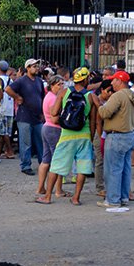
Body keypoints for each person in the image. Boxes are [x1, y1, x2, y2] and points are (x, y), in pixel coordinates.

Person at [35, 67, 96, 206]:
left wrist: (64, 118)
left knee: (56, 165)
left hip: (67, 135)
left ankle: (48, 196)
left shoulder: (64, 92)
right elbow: (93, 120)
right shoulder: (90, 96)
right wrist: (91, 137)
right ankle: (75, 198)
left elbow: (54, 113)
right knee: (82, 168)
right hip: (84, 135)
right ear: (86, 79)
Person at [96, 70, 134, 208]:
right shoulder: (132, 95)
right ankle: (123, 197)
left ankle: (113, 200)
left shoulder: (118, 96)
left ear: (120, 81)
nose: (111, 83)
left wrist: (99, 103)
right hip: (130, 134)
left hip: (116, 136)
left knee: (113, 169)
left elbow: (105, 112)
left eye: (113, 80)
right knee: (125, 169)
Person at [6, 58, 45, 176]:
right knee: (26, 143)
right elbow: (8, 89)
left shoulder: (39, 81)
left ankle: (43, 163)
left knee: (40, 141)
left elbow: (41, 97)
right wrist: (17, 97)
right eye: (34, 66)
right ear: (27, 68)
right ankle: (25, 165)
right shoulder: (21, 81)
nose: (36, 68)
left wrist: (42, 112)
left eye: (37, 66)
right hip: (24, 116)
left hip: (37, 116)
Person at [37, 75, 66, 197]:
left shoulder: (48, 96)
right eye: (59, 84)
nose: (61, 86)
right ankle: (58, 190)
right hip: (54, 129)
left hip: (46, 128)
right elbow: (55, 119)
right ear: (52, 85)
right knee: (58, 161)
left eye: (62, 84)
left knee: (46, 160)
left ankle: (40, 188)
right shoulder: (54, 98)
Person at [0, 61, 15, 159]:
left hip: (2, 108)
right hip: (10, 108)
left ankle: (10, 150)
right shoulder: (10, 80)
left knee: (3, 132)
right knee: (6, 131)